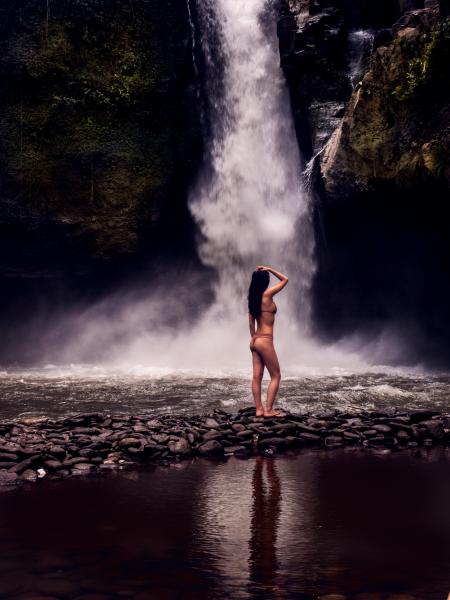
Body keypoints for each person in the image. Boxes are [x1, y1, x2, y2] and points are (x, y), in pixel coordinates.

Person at [247, 265, 288, 417]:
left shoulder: (253, 299)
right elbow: (285, 279)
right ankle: (269, 410)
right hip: (265, 340)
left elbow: (251, 323)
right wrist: (270, 269)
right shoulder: (267, 295)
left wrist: (253, 339)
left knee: (257, 376)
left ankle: (259, 409)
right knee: (276, 375)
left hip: (255, 340)